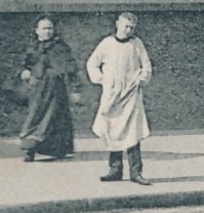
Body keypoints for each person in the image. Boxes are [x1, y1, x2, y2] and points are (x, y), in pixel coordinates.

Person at [86, 11, 154, 184]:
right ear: (117, 24)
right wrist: (102, 80)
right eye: (126, 26)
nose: (128, 30)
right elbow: (92, 63)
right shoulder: (107, 44)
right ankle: (115, 170)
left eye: (132, 27)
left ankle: (136, 172)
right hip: (112, 97)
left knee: (132, 133)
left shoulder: (136, 44)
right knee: (112, 132)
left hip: (131, 95)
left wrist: (141, 79)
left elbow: (146, 66)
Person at [17, 16, 81, 161]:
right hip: (37, 90)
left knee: (55, 118)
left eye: (50, 28)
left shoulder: (60, 47)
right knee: (35, 117)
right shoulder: (32, 47)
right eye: (44, 28)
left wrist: (75, 90)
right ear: (37, 30)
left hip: (56, 90)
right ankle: (29, 149)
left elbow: (71, 69)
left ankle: (57, 150)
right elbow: (25, 64)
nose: (47, 32)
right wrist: (24, 71)